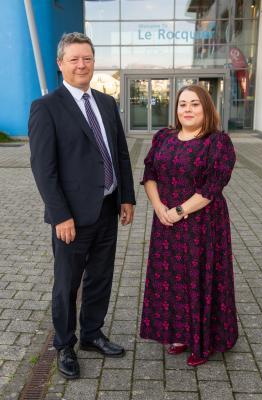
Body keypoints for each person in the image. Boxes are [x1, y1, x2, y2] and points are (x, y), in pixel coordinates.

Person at [29, 32, 135, 379]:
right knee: (66, 285)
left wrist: (127, 196)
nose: (81, 64)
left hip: (106, 208)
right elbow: (44, 170)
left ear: (93, 61)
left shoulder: (106, 102)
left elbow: (119, 152)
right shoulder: (46, 107)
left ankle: (91, 334)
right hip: (71, 217)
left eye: (86, 58)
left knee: (101, 278)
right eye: (73, 59)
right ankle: (64, 345)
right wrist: (60, 215)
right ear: (60, 64)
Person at [140, 84, 238, 366]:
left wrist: (180, 210)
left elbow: (213, 186)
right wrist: (160, 208)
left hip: (202, 224)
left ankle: (203, 342)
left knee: (200, 279)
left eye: (194, 104)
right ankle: (180, 334)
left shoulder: (217, 142)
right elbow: (149, 175)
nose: (188, 109)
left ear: (206, 108)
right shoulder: (163, 137)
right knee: (172, 279)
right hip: (166, 223)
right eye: (183, 104)